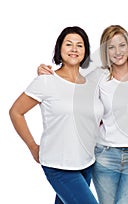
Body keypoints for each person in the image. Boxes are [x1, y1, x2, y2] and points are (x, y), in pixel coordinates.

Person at [37, 25, 128, 204]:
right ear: (105, 51)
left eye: (122, 45)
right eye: (111, 47)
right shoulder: (97, 76)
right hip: (105, 155)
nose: (117, 52)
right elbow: (71, 79)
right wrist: (45, 74)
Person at [9, 26, 103, 203]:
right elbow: (16, 112)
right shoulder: (46, 80)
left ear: (86, 51)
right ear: (60, 48)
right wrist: (32, 147)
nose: (74, 49)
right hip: (58, 164)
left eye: (80, 45)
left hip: (87, 162)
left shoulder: (91, 83)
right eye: (69, 44)